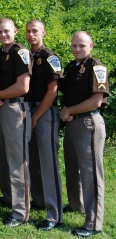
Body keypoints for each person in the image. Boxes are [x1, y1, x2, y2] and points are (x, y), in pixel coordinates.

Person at [59, 31, 108, 237]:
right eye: (74, 45)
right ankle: (76, 205)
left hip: (89, 122)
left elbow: (96, 101)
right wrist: (65, 110)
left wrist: (69, 111)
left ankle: (93, 222)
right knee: (73, 168)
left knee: (91, 173)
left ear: (91, 45)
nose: (77, 49)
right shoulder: (71, 67)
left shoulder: (97, 68)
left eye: (82, 45)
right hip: (72, 123)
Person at [0, 18, 32, 227]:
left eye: (6, 31)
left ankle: (21, 211)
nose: (3, 35)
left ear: (15, 31)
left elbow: (23, 86)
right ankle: (9, 198)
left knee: (18, 161)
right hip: (2, 108)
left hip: (16, 109)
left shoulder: (20, 52)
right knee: (4, 157)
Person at [25, 20, 63, 231]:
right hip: (28, 110)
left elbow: (53, 91)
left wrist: (37, 116)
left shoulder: (51, 57)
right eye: (28, 31)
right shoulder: (28, 56)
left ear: (43, 33)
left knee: (48, 164)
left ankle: (54, 214)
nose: (31, 35)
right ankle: (39, 201)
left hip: (44, 112)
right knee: (34, 162)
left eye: (35, 31)